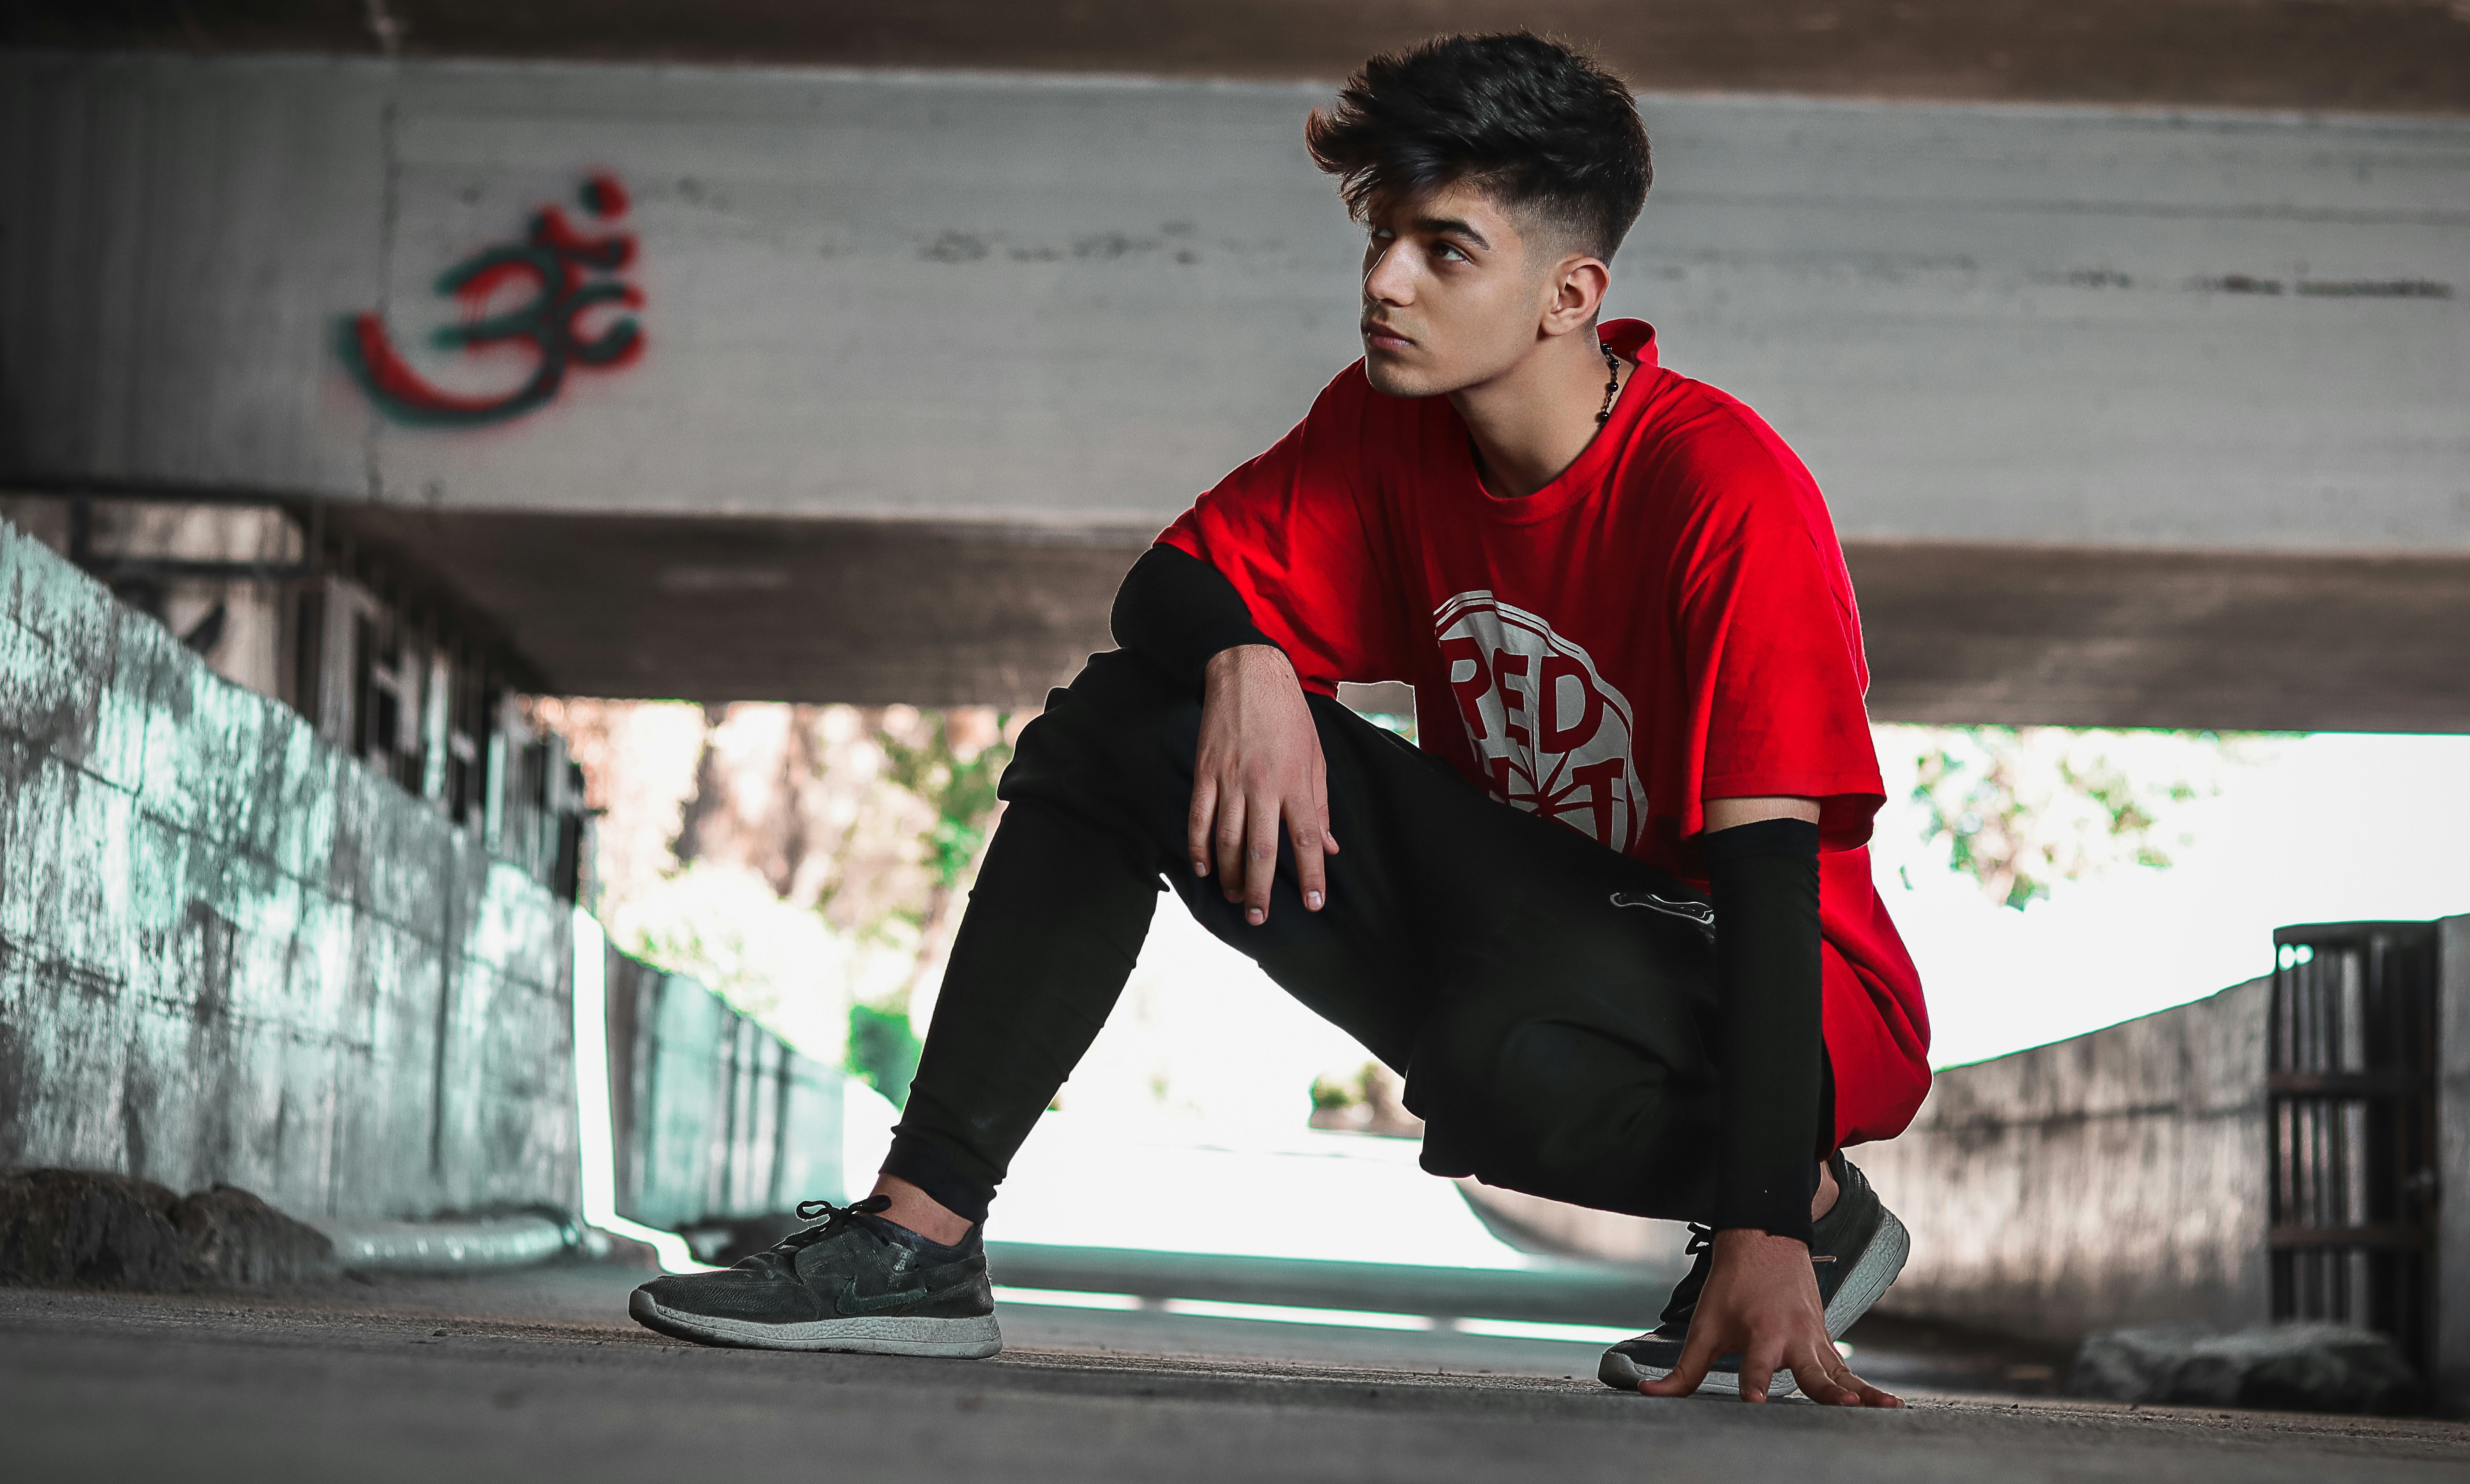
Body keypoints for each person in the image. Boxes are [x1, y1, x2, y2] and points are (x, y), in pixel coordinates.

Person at [630, 30, 1930, 1407]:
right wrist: (1249, 655)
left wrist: (1766, 1222)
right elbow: (1167, 589)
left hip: (1759, 978)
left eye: (1445, 249)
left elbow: (1772, 881)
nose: (1384, 282)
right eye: (1380, 237)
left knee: (1511, 1057)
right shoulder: (1384, 430)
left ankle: (1819, 1202)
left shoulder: (1723, 494)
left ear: (1570, 293)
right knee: (1129, 724)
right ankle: (922, 1238)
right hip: (1530, 929)